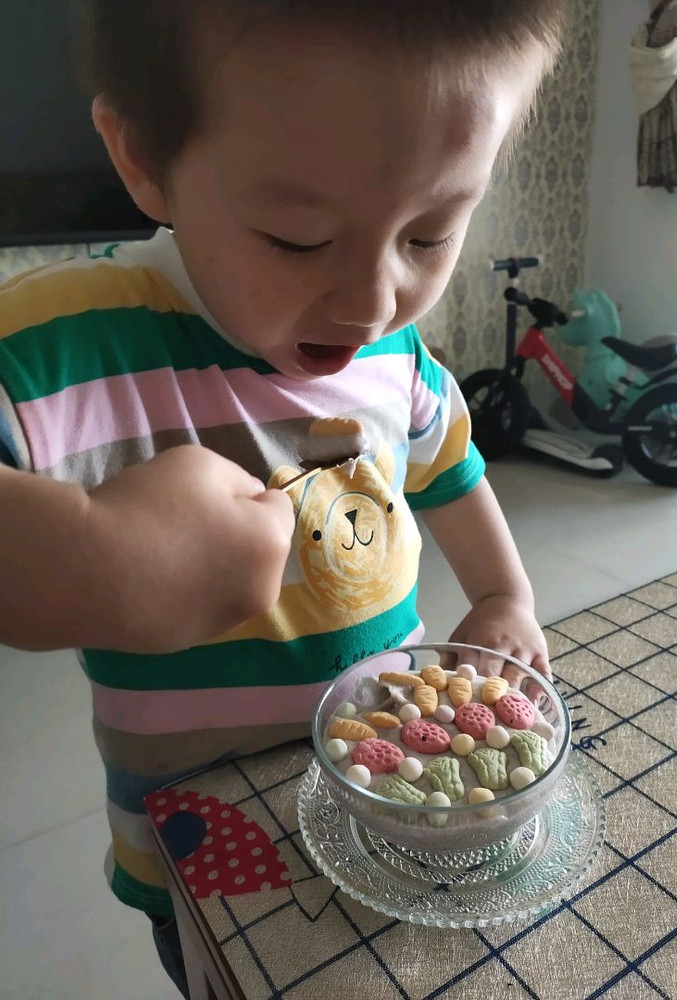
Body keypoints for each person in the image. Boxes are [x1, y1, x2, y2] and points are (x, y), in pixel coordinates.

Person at [0, 1, 565, 994]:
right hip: (210, 830)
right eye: (298, 239)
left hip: (386, 789)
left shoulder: (394, 355)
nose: (370, 302)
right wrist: (105, 561)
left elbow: (450, 469)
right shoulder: (62, 344)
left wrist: (506, 594)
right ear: (142, 159)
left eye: (430, 233)